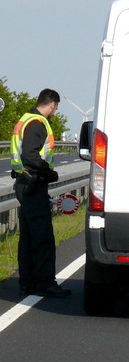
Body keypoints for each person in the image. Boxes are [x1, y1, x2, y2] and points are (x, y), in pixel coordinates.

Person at [11, 89, 70, 298]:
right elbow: (30, 155)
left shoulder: (25, 119)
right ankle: (45, 284)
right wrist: (49, 172)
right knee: (43, 237)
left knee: (27, 238)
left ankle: (27, 283)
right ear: (53, 104)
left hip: (23, 183)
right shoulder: (37, 123)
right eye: (56, 108)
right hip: (33, 184)